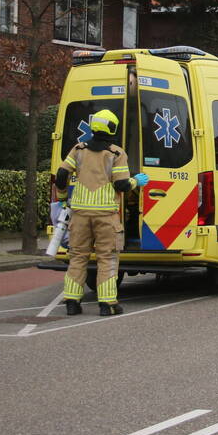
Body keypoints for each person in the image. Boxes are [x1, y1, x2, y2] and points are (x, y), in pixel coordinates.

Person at [54, 109, 149, 316]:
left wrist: (62, 199)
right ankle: (107, 304)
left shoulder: (78, 149)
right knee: (107, 257)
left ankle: (72, 302)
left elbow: (61, 175)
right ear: (112, 128)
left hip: (79, 213)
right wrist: (137, 181)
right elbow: (122, 184)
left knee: (78, 256)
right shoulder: (116, 153)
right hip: (106, 215)